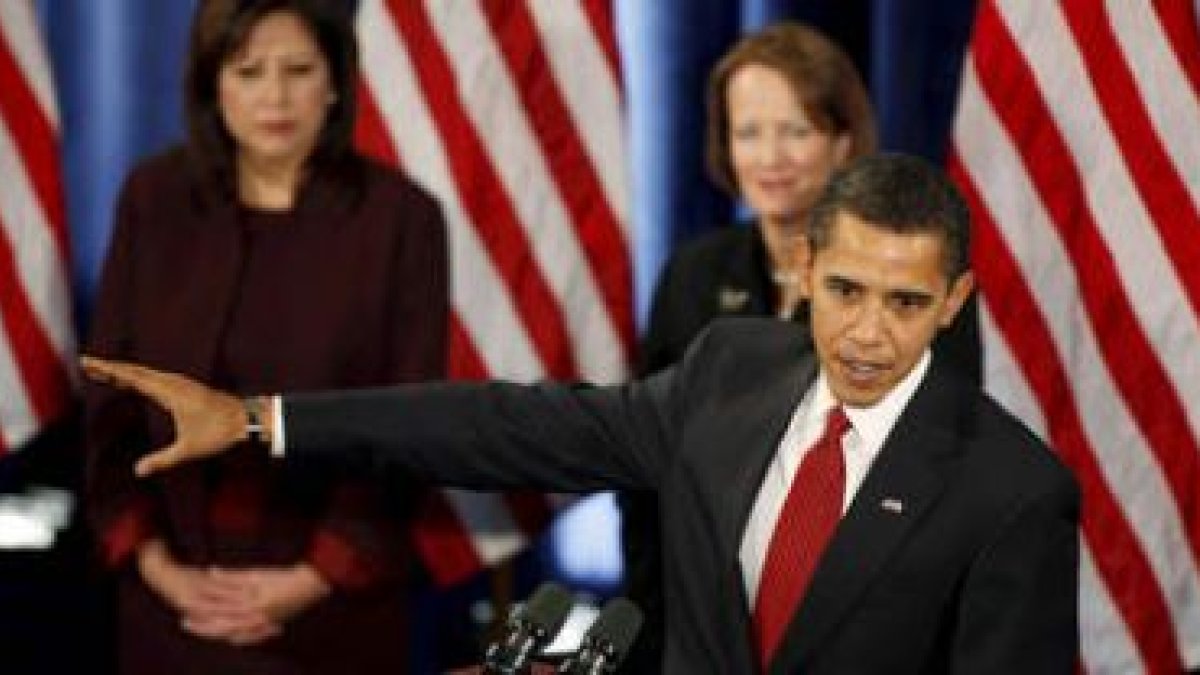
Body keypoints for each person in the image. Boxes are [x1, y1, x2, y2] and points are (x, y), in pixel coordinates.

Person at [84, 154, 1080, 675]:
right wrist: (261, 418)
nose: (869, 334)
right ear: (804, 271)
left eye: (907, 305)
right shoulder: (732, 370)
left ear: (954, 303)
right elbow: (506, 425)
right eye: (847, 291)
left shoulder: (1012, 493)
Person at [83, 0, 448, 672]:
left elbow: (411, 430)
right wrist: (156, 563)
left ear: (336, 81)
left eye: (298, 69)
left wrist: (311, 578)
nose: (274, 97)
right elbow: (111, 402)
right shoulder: (153, 200)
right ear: (211, 84)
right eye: (248, 71)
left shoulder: (402, 220)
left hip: (334, 614)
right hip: (166, 607)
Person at [625, 23, 981, 667]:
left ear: (844, 142)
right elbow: (649, 467)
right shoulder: (693, 275)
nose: (770, 156)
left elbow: (939, 469)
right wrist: (650, 625)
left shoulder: (911, 278)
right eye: (748, 132)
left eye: (796, 130)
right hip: (703, 624)